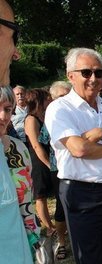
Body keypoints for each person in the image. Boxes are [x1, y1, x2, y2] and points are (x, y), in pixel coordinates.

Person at [44, 48, 102, 264]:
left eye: (99, 72)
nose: (93, 78)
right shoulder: (60, 109)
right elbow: (80, 150)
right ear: (71, 76)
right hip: (81, 193)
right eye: (86, 72)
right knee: (89, 258)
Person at [1, 87, 35, 263]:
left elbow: (28, 198)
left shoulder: (18, 148)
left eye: (7, 109)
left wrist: (33, 236)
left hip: (19, 240)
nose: (3, 116)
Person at [24, 88, 56, 238]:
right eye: (46, 98)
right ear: (39, 101)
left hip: (47, 155)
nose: (49, 101)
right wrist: (49, 165)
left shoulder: (44, 116)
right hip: (38, 160)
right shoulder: (31, 119)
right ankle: (49, 227)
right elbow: (36, 145)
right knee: (40, 195)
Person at [48, 80, 71, 260]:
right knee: (61, 207)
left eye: (67, 95)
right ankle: (62, 242)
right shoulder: (53, 115)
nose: (65, 99)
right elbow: (38, 145)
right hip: (57, 168)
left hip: (76, 168)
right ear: (53, 98)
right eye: (61, 96)